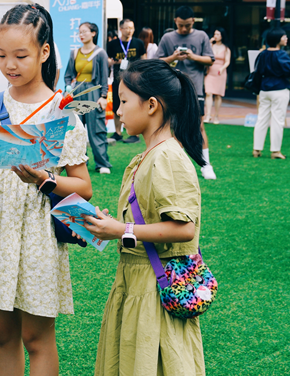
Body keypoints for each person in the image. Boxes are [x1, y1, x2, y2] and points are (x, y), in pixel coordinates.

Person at [0, 3, 92, 376]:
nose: (9, 65)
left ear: (44, 52)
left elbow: (83, 186)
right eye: (1, 55)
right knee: (2, 335)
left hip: (37, 233)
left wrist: (44, 179)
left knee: (37, 338)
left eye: (20, 55)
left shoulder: (61, 113)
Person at [84, 59, 206, 376]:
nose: (118, 110)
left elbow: (184, 228)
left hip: (156, 289)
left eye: (124, 101)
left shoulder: (167, 156)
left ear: (151, 105)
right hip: (138, 283)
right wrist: (111, 227)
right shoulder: (149, 154)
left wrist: (122, 228)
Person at [155, 6, 217, 180]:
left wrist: (192, 56)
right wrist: (173, 57)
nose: (184, 29)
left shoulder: (202, 36)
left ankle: (206, 165)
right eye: (181, 25)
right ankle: (176, 166)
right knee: (173, 127)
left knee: (198, 126)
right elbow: (157, 61)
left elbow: (210, 60)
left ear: (193, 22)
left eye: (187, 26)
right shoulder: (168, 38)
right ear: (175, 21)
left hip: (195, 88)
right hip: (173, 89)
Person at [65, 22, 112, 174]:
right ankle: (79, 162)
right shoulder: (74, 53)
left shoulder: (100, 53)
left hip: (94, 92)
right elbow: (68, 75)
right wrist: (68, 89)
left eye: (85, 31)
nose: (81, 34)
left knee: (96, 129)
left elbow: (104, 77)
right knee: (76, 129)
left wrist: (103, 96)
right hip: (77, 93)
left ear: (93, 33)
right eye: (80, 32)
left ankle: (102, 163)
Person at [252, 28, 290, 159]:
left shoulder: (263, 54)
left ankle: (256, 149)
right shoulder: (282, 54)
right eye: (284, 37)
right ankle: (275, 151)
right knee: (277, 120)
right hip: (279, 89)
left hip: (264, 90)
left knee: (261, 119)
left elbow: (257, 71)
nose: (286, 39)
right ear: (278, 39)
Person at [107, 19, 146, 144]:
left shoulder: (138, 43)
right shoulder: (112, 44)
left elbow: (144, 59)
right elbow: (107, 60)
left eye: (132, 28)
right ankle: (118, 133)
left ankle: (135, 134)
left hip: (135, 80)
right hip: (118, 79)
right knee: (117, 106)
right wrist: (113, 62)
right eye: (127, 28)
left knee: (136, 106)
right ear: (121, 29)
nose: (129, 31)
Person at [203, 27, 231, 124]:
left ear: (222, 36)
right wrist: (209, 43)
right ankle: (208, 115)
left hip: (220, 72)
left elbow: (227, 62)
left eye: (218, 34)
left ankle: (216, 116)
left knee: (218, 95)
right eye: (215, 34)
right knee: (208, 93)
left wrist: (222, 68)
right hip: (210, 71)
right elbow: (206, 54)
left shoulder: (226, 48)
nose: (216, 36)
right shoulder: (211, 46)